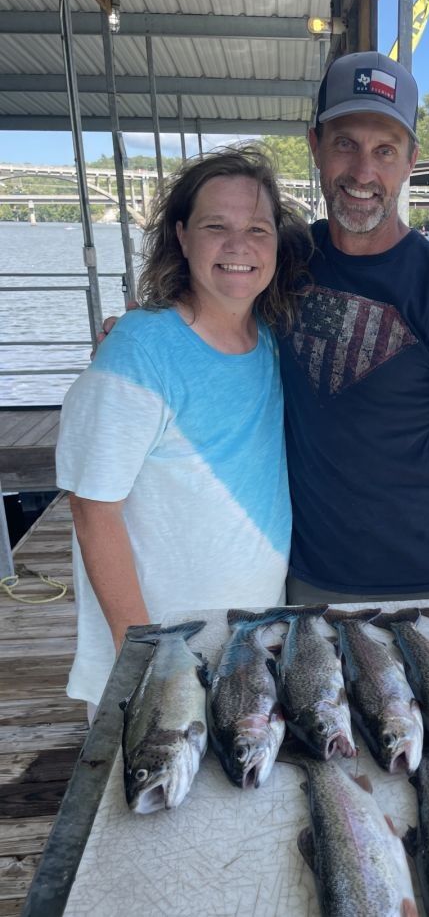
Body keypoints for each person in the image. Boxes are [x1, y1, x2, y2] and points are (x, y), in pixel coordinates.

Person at [56, 146, 311, 708]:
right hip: (160, 663)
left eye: (258, 229)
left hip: (246, 648)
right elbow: (91, 508)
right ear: (181, 236)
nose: (239, 246)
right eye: (215, 226)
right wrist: (146, 661)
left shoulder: (270, 339)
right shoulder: (140, 351)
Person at [279, 50, 429, 605]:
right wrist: (145, 324)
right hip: (303, 578)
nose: (363, 173)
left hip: (425, 583)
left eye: (385, 150)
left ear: (411, 159)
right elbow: (210, 297)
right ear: (314, 145)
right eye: (345, 144)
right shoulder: (282, 260)